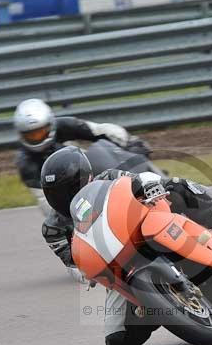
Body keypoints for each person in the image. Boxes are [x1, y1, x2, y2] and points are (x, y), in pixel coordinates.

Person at [39, 146, 212, 345]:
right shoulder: (53, 229)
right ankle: (162, 306)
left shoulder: (108, 179)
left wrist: (149, 185)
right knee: (118, 341)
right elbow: (72, 262)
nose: (64, 197)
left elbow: (138, 181)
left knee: (179, 188)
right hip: (117, 267)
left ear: (85, 177)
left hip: (148, 231)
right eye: (56, 193)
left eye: (70, 187)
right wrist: (86, 271)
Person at [13, 98, 151, 281]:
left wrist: (129, 142)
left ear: (50, 125)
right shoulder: (27, 164)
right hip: (63, 193)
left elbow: (101, 130)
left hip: (86, 168)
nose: (37, 138)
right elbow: (46, 201)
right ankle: (88, 250)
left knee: (125, 163)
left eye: (41, 132)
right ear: (22, 136)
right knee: (67, 219)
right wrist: (72, 214)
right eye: (31, 135)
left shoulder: (64, 125)